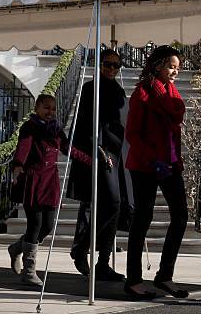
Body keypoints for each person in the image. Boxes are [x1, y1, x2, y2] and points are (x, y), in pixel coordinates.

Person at [124, 46, 189, 299]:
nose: (176, 71)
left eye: (178, 67)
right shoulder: (142, 94)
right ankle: (133, 280)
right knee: (142, 219)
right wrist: (154, 161)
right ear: (158, 65)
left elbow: (173, 132)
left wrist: (173, 160)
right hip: (144, 165)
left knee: (181, 216)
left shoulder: (172, 93)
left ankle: (164, 276)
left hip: (170, 163)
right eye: (172, 66)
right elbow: (132, 135)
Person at [7, 94, 92, 286]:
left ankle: (17, 248)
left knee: (48, 226)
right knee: (35, 225)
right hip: (34, 180)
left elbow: (70, 149)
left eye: (53, 109)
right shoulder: (30, 127)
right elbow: (23, 147)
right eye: (46, 108)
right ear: (37, 107)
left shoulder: (56, 130)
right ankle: (29, 270)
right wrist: (18, 165)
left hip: (50, 182)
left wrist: (91, 161)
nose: (50, 112)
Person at [66, 49, 130, 281]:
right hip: (97, 154)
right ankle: (81, 248)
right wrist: (98, 150)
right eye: (108, 64)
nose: (112, 69)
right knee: (107, 204)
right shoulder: (90, 89)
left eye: (116, 65)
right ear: (99, 64)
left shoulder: (119, 91)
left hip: (117, 155)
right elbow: (84, 124)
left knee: (116, 206)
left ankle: (103, 261)